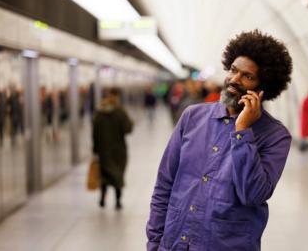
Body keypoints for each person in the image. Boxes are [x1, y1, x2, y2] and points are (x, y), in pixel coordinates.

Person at [146, 30, 293, 251]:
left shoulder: (275, 136)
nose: (235, 79)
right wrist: (155, 242)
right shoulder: (192, 117)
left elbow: (253, 194)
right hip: (177, 242)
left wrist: (242, 131)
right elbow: (164, 184)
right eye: (233, 70)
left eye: (247, 76)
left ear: (263, 88)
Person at [92, 88, 133, 210]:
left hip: (103, 151)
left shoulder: (99, 112)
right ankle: (118, 201)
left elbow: (94, 133)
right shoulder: (120, 111)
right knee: (118, 175)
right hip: (119, 151)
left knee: (105, 175)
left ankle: (103, 199)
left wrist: (95, 149)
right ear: (117, 97)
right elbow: (128, 129)